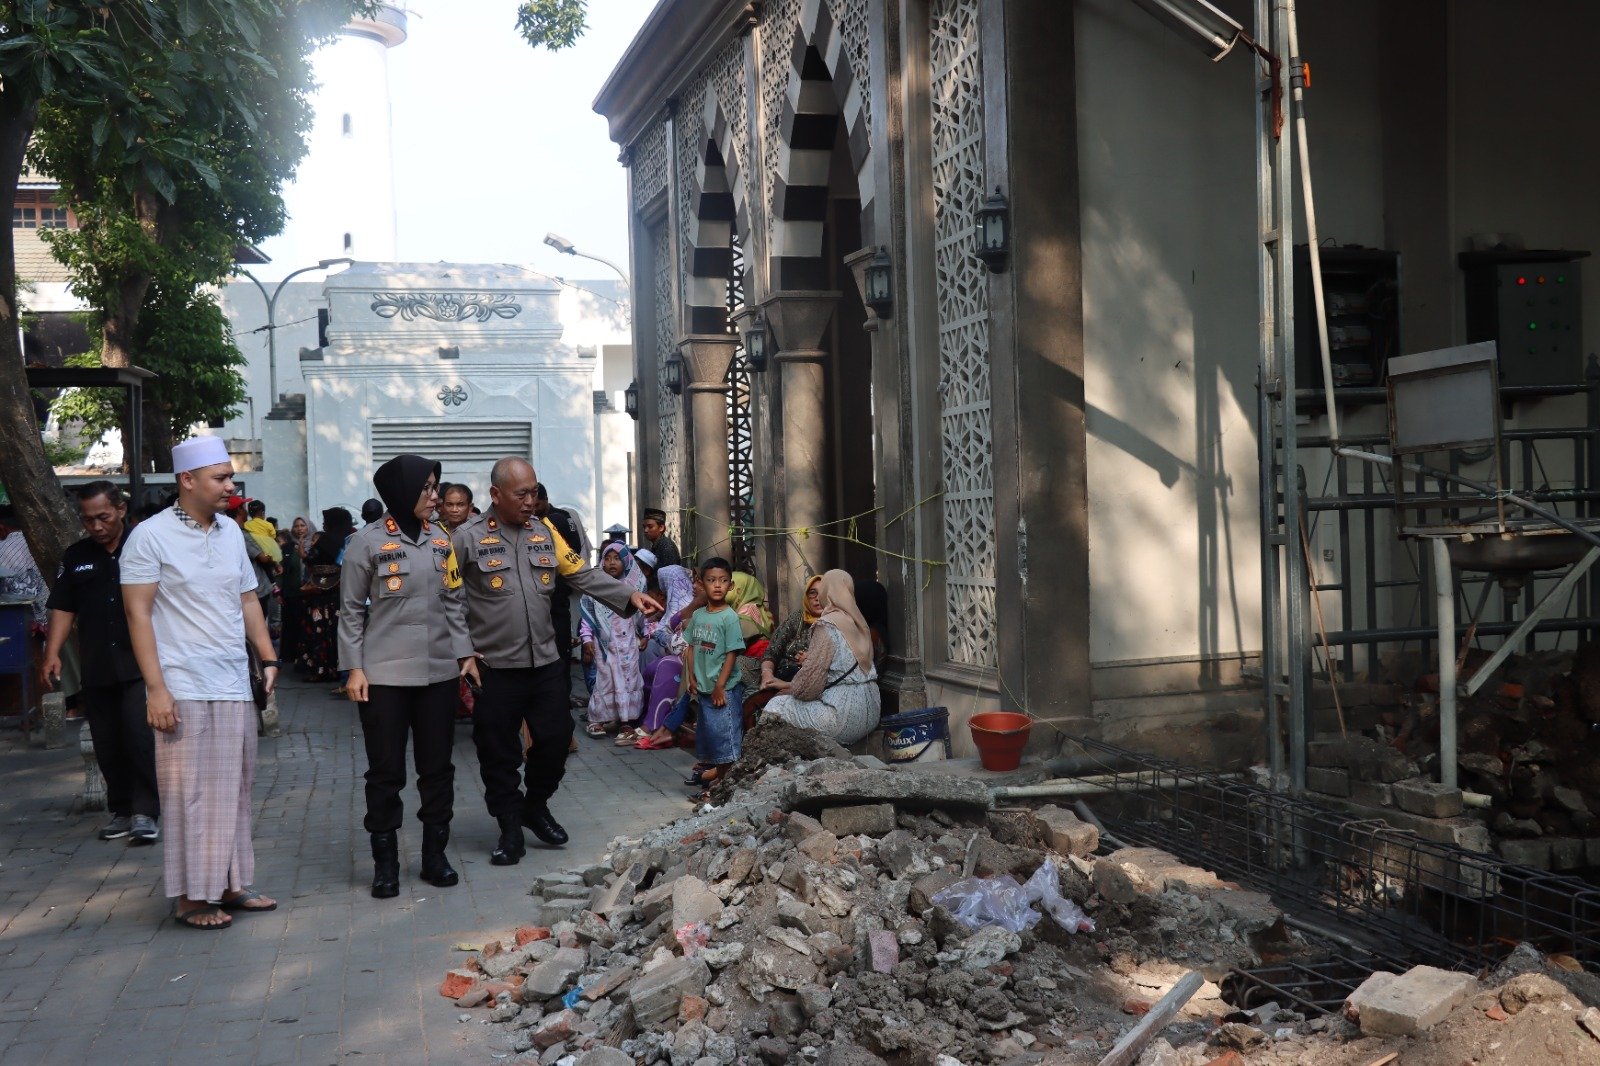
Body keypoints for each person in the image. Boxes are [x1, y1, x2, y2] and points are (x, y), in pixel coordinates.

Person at [451, 457, 657, 863]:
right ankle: (510, 827)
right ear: (495, 495)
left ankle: (535, 804)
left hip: (545, 661)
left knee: (555, 740)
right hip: (494, 667)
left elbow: (580, 573)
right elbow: (447, 599)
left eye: (534, 491)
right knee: (498, 752)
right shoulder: (467, 539)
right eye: (521, 494)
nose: (531, 501)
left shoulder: (543, 531)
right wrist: (462, 651)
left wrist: (627, 596)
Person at [120, 435, 279, 930]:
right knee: (189, 792)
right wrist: (156, 688)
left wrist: (268, 657)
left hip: (231, 679)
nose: (230, 486)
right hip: (182, 683)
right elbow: (137, 612)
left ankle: (230, 883)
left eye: (230, 477)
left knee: (234, 786)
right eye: (221, 478)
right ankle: (191, 896)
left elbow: (247, 599)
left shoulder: (231, 532)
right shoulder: (150, 536)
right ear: (186, 481)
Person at [339, 455, 478, 899]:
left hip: (437, 673)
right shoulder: (367, 542)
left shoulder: (441, 541)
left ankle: (435, 856)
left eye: (436, 487)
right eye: (428, 488)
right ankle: (385, 864)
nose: (436, 497)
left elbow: (454, 602)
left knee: (437, 769)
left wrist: (465, 656)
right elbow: (350, 612)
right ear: (402, 492)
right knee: (386, 773)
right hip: (383, 678)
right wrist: (354, 668)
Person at [41, 481, 160, 845]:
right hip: (98, 665)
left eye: (102, 517)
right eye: (87, 519)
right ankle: (121, 810)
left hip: (140, 663)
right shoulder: (76, 556)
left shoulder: (144, 548)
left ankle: (145, 811)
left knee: (139, 737)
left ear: (120, 510)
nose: (95, 526)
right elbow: (62, 606)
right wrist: (52, 653)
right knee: (107, 742)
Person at [762, 570, 881, 746]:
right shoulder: (858, 622)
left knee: (775, 707)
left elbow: (809, 685)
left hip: (843, 716)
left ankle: (779, 766)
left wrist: (792, 690)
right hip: (871, 711)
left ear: (826, 591)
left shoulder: (827, 625)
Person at [685, 558, 744, 800]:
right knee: (713, 740)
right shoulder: (698, 616)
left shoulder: (729, 617)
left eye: (722, 581)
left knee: (726, 741)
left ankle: (723, 790)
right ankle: (718, 782)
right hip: (705, 689)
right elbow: (690, 647)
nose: (717, 586)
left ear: (730, 585)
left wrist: (720, 686)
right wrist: (691, 677)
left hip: (724, 691)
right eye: (711, 580)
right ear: (702, 583)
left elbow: (732, 653)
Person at [578, 543, 647, 741]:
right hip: (605, 645)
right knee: (605, 681)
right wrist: (586, 639)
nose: (611, 563)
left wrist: (646, 636)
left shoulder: (634, 588)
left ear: (625, 560)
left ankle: (625, 722)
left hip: (628, 646)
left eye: (616, 558)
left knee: (628, 680)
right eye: (607, 559)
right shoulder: (596, 588)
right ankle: (596, 719)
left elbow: (645, 618)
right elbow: (587, 617)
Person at [532, 482, 590, 704]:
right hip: (559, 593)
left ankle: (556, 698)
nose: (531, 507)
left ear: (544, 500)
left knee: (556, 652)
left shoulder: (551, 522)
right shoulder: (566, 515)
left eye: (536, 503)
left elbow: (570, 559)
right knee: (561, 651)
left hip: (553, 593)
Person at [634, 555, 695, 751]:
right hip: (682, 654)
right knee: (652, 660)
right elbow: (666, 629)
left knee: (665, 665)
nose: (695, 586)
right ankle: (647, 718)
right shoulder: (678, 606)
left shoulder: (693, 605)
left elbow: (679, 641)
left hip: (694, 659)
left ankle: (654, 725)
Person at [300, 507, 354, 684]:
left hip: (321, 594)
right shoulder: (350, 539)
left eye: (326, 520)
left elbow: (310, 560)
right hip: (341, 592)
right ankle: (340, 668)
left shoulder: (324, 540)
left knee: (320, 632)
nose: (323, 524)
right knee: (337, 631)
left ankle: (322, 670)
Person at [762, 574, 823, 691]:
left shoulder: (834, 622)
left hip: (813, 680)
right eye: (812, 593)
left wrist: (810, 659)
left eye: (823, 593)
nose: (817, 598)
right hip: (783, 673)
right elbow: (772, 650)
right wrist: (767, 674)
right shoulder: (797, 618)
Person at [0, 505, 48, 624]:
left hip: (17, 622)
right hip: (50, 621)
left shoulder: (2, 549)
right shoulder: (43, 543)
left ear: (1, 528)